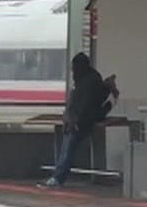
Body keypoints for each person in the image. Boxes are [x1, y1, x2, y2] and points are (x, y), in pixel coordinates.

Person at [43, 52, 117, 188]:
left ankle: (58, 177)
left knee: (68, 145)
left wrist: (75, 121)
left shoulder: (88, 82)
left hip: (82, 121)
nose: (72, 71)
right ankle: (57, 176)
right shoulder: (85, 79)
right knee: (66, 145)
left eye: (73, 67)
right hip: (77, 120)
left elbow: (86, 105)